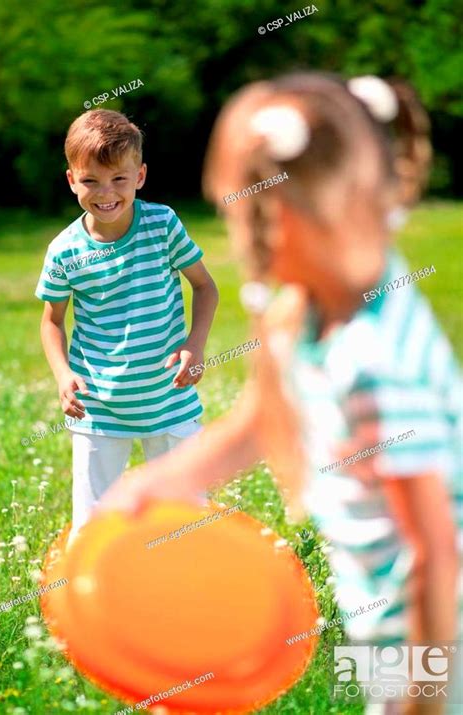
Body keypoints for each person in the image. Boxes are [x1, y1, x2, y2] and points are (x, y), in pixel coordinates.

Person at [99, 74, 461, 714]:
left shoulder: (373, 364)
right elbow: (265, 418)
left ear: (284, 220)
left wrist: (424, 696)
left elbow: (436, 555)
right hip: (382, 613)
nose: (239, 240)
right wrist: (161, 481)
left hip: (436, 630)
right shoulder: (311, 302)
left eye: (239, 215)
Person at [35, 109, 218, 541]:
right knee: (93, 524)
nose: (106, 193)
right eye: (91, 181)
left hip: (169, 396)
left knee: (187, 513)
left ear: (140, 175)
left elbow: (205, 288)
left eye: (119, 178)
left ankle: (191, 586)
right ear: (71, 181)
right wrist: (63, 374)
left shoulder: (162, 224)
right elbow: (51, 322)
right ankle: (91, 597)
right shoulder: (64, 252)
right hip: (99, 406)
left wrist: (196, 343)